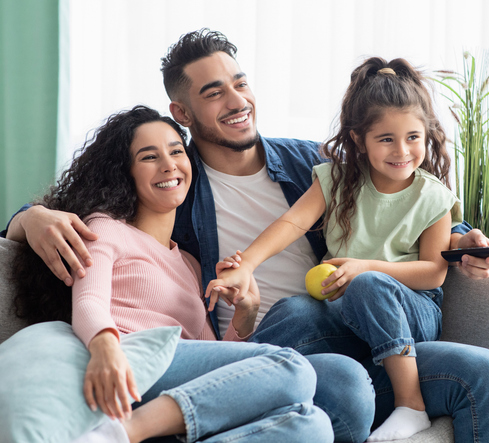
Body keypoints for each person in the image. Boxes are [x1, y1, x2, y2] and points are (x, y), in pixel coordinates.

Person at [4, 29, 489, 442]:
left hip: (361, 325)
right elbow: (94, 213)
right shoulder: (175, 186)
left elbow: (395, 195)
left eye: (239, 82)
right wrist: (28, 218)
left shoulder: (309, 161)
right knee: (302, 323)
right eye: (212, 92)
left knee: (483, 372)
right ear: (182, 114)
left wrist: (464, 239)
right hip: (273, 343)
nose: (235, 100)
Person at [9, 106, 341, 443]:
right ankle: (118, 434)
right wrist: (106, 348)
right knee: (294, 369)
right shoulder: (105, 228)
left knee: (312, 425)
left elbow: (210, 357)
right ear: (125, 173)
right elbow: (89, 300)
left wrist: (245, 315)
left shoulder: (190, 263)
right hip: (128, 362)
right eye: (149, 157)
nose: (169, 164)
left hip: (174, 392)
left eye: (176, 151)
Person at [208, 57, 462, 441]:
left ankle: (412, 406)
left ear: (426, 135)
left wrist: (365, 268)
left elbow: (433, 272)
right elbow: (292, 223)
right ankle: (220, 388)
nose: (402, 151)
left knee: (370, 284)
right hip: (346, 313)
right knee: (293, 309)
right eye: (386, 139)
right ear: (359, 139)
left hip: (411, 313)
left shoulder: (433, 196)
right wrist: (247, 264)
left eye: (413, 137)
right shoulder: (337, 179)